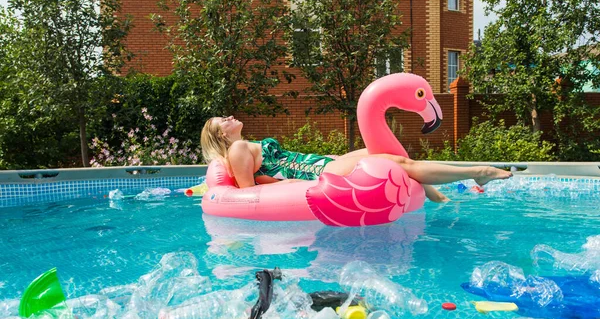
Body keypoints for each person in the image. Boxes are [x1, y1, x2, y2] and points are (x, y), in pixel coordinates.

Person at [200, 116, 512, 202]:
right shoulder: (238, 149)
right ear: (221, 136)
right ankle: (477, 171)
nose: (230, 117)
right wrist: (292, 182)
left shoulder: (245, 146)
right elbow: (249, 192)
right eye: (222, 121)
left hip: (320, 162)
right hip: (317, 172)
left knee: (387, 148)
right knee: (398, 162)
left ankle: (433, 191)